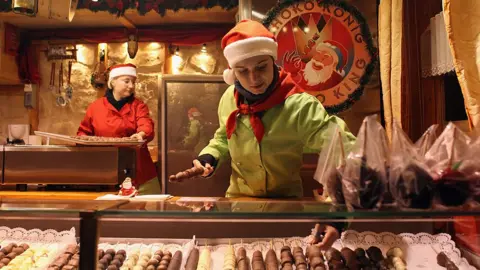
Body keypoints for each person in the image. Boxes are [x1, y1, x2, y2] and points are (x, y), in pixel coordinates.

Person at [77, 63, 160, 194]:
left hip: (139, 173)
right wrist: (83, 140)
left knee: (147, 212)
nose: (131, 86)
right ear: (113, 82)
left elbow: (146, 124)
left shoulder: (139, 106)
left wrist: (141, 134)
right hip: (106, 173)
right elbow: (83, 132)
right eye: (126, 81)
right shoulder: (95, 107)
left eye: (133, 82)